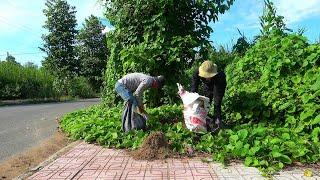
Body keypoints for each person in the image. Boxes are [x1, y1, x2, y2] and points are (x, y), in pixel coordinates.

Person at [191, 60, 227, 131]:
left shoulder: (220, 75)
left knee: (217, 102)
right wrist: (192, 99)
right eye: (205, 75)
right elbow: (194, 86)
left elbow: (218, 96)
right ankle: (205, 118)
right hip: (208, 85)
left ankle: (217, 121)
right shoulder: (197, 72)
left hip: (218, 83)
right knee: (207, 99)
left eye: (209, 75)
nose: (207, 77)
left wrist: (217, 113)